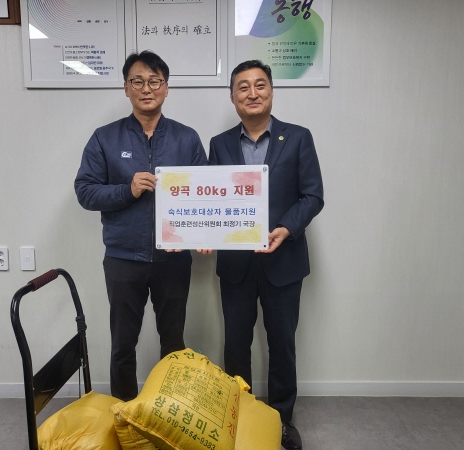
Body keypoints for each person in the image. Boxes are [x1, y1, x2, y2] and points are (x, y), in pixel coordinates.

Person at [74, 51, 207, 401]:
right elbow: (85, 191)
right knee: (122, 345)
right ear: (126, 88)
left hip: (173, 258)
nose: (146, 89)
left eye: (154, 81)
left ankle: (168, 413)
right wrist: (127, 190)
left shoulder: (187, 138)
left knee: (174, 344)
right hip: (123, 259)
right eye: (138, 81)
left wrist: (203, 234)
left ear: (166, 87)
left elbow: (205, 194)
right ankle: (124, 413)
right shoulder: (105, 138)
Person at [207, 60, 323, 450]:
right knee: (235, 344)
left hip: (283, 261)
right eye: (243, 87)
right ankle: (241, 418)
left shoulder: (298, 138)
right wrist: (204, 232)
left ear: (271, 91)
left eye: (260, 85)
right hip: (236, 264)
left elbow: (313, 195)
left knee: (282, 345)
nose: (252, 93)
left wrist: (286, 228)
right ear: (233, 97)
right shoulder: (220, 144)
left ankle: (281, 421)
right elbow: (212, 197)